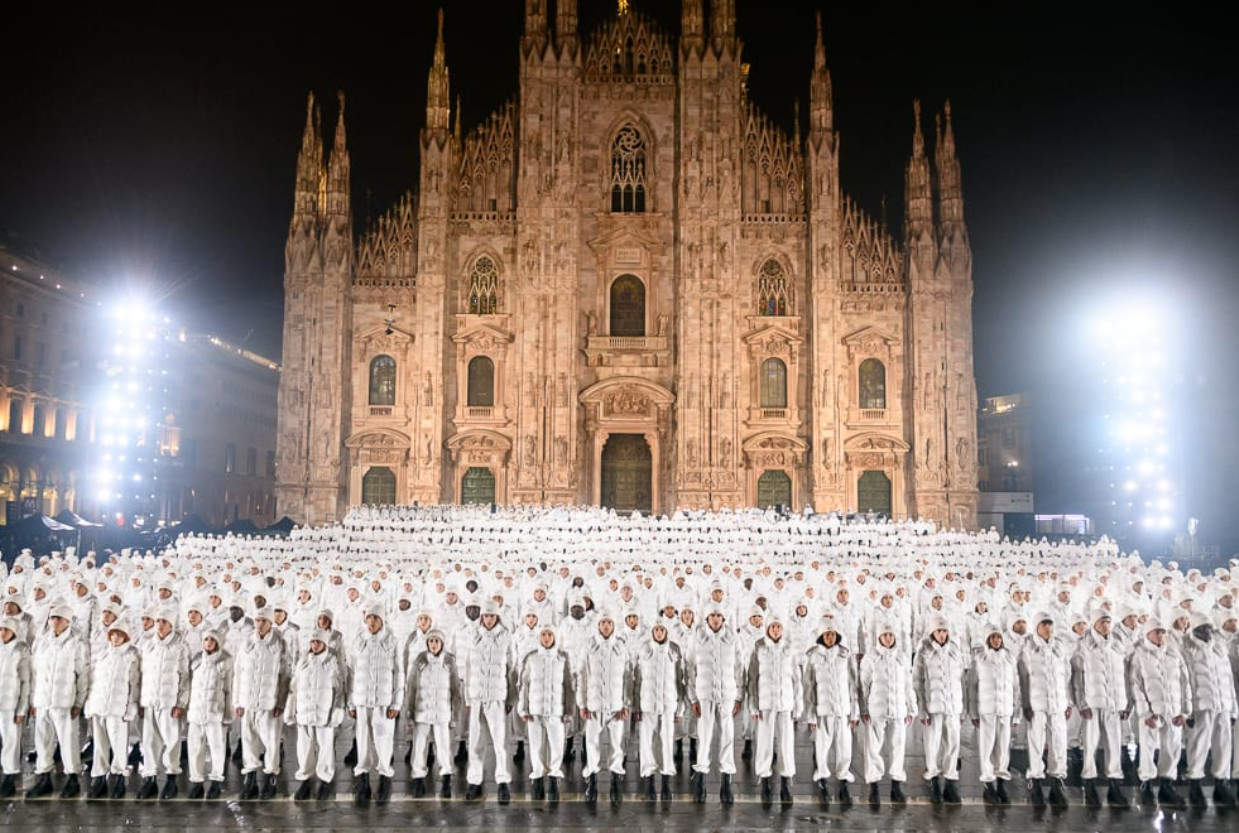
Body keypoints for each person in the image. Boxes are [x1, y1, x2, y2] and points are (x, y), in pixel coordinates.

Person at [27, 602, 90, 799]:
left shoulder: (76, 644)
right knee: (43, 741)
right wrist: (33, 701)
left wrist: (79, 702)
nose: (53, 621)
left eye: (58, 618)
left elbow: (83, 675)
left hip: (65, 703)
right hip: (43, 701)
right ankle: (44, 777)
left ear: (67, 621)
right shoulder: (43, 642)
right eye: (51, 618)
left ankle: (72, 778)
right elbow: (35, 673)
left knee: (68, 741)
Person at [1069, 608, 1131, 807]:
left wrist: (1125, 702)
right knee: (1091, 744)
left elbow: (1124, 676)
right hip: (1092, 704)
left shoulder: (1118, 645)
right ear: (1094, 623)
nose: (1106, 625)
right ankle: (1089, 782)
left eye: (1108, 621)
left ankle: (1114, 785)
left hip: (1113, 703)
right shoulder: (1082, 646)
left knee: (1114, 744)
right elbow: (1077, 678)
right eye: (1102, 621)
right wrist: (1081, 703)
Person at [1127, 616, 1190, 807]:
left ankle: (1166, 786)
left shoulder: (1174, 654)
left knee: (1172, 748)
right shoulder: (1139, 655)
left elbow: (1185, 683)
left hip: (1173, 710)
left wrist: (1185, 711)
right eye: (1158, 632)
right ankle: (1146, 785)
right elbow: (1135, 685)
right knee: (1148, 749)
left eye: (1163, 632)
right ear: (1148, 634)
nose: (1161, 635)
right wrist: (1145, 713)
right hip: (1152, 713)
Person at [1180, 613, 1238, 806]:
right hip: (1200, 705)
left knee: (1224, 745)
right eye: (1202, 627)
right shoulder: (1187, 649)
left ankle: (1221, 783)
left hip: (1222, 704)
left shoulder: (1219, 648)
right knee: (1199, 745)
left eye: (1208, 627)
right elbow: (1184, 681)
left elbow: (1228, 679)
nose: (1207, 631)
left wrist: (1233, 708)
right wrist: (1186, 709)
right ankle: (1195, 783)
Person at [232, 603, 288, 800]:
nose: (259, 624)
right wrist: (237, 701)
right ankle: (251, 778)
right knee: (248, 741)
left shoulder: (280, 642)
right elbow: (238, 672)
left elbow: (285, 675)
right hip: (248, 701)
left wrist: (281, 703)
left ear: (271, 622)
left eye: (263, 621)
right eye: (257, 620)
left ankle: (271, 777)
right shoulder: (247, 642)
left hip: (269, 704)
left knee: (271, 742)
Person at [348, 605, 402, 805]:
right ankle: (362, 777)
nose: (371, 621)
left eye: (375, 618)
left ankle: (385, 776)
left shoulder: (391, 641)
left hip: (383, 702)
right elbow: (351, 673)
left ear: (382, 620)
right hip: (362, 701)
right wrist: (351, 703)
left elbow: (399, 673)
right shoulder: (357, 640)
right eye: (369, 617)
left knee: (383, 740)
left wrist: (397, 702)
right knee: (362, 740)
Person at [803, 613, 858, 807]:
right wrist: (810, 715)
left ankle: (843, 780)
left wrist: (855, 711)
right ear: (820, 636)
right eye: (826, 634)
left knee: (844, 747)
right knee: (823, 746)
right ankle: (823, 780)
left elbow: (853, 684)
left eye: (833, 634)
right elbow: (809, 687)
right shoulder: (813, 657)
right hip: (823, 711)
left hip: (842, 710)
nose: (830, 637)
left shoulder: (845, 656)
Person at [462, 599, 515, 802]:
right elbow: (468, 668)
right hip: (477, 697)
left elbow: (512, 669)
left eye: (492, 616)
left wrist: (510, 697)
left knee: (501, 743)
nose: (488, 619)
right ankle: (474, 781)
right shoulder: (473, 635)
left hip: (496, 698)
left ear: (497, 617)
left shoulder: (506, 637)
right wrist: (468, 697)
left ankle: (503, 781)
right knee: (475, 742)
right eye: (485, 616)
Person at [1018, 612, 1072, 807]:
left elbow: (1066, 675)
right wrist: (1025, 704)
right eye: (1044, 624)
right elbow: (1023, 678)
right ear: (1037, 627)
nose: (1048, 628)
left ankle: (1057, 780)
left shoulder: (1059, 647)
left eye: (1050, 624)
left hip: (1057, 704)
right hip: (1037, 704)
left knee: (1058, 742)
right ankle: (1036, 780)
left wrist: (1068, 702)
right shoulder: (1027, 648)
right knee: (1036, 742)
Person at [688, 604, 740, 805]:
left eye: (719, 615)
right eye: (712, 616)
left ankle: (726, 781)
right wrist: (693, 697)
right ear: (707, 618)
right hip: (705, 694)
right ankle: (700, 777)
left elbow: (740, 667)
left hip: (726, 694)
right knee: (705, 736)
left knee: (727, 736)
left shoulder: (732, 639)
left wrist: (739, 696)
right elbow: (689, 668)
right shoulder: (698, 638)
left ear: (723, 618)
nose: (716, 619)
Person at [578, 609, 632, 805]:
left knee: (617, 745)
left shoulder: (621, 647)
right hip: (594, 706)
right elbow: (582, 676)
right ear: (598, 625)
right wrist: (582, 704)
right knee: (591, 744)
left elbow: (628, 677)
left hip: (615, 707)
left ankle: (615, 780)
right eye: (603, 623)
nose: (606, 626)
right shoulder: (589, 646)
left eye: (609, 622)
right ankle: (592, 780)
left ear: (614, 625)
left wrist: (626, 703)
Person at [136, 607, 191, 800]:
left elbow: (185, 678)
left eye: (163, 622)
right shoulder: (148, 645)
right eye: (157, 621)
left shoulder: (180, 647)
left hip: (169, 703)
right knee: (150, 742)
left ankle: (171, 778)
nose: (159, 625)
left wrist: (181, 703)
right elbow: (142, 675)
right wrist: (141, 701)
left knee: (172, 741)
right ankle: (149, 778)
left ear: (171, 625)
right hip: (151, 701)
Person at [859, 622, 916, 806]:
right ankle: (874, 785)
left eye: (891, 635)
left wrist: (912, 707)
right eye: (885, 635)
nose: (888, 638)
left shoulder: (902, 657)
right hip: (877, 709)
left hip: (898, 710)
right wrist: (864, 709)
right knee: (873, 747)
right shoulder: (871, 657)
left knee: (898, 747)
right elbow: (863, 685)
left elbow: (908, 684)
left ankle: (896, 784)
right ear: (879, 637)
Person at [747, 617, 801, 808]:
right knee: (764, 744)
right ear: (767, 628)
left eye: (779, 626)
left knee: (786, 744)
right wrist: (753, 705)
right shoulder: (759, 648)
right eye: (773, 627)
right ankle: (765, 780)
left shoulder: (790, 649)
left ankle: (786, 781)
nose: (776, 630)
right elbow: (752, 678)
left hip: (785, 703)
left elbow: (797, 679)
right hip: (766, 704)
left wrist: (798, 705)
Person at [285, 629, 345, 801]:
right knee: (304, 749)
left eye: (318, 642)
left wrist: (337, 711)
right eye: (312, 642)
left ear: (325, 643)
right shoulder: (303, 662)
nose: (315, 645)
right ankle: (305, 778)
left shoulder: (332, 662)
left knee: (325, 748)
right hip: (304, 713)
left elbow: (340, 690)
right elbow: (293, 688)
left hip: (324, 715)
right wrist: (291, 709)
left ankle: (325, 778)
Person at [517, 624, 574, 804]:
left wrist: (568, 710)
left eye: (550, 634)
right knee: (536, 746)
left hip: (556, 711)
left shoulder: (563, 658)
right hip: (535, 711)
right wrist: (523, 708)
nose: (547, 638)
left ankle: (553, 778)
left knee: (557, 746)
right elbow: (524, 686)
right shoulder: (532, 658)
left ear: (555, 637)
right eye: (544, 635)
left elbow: (568, 686)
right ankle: (538, 779)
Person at [83, 619, 140, 799]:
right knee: (100, 745)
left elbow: (134, 684)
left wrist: (131, 707)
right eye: (113, 634)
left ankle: (119, 777)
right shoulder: (102, 655)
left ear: (125, 636)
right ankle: (98, 778)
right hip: (99, 707)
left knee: (118, 744)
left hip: (118, 709)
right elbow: (95, 683)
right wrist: (90, 705)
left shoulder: (131, 656)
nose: (115, 637)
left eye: (119, 634)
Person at [913, 615, 965, 803]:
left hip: (952, 706)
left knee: (952, 743)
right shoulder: (924, 650)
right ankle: (934, 778)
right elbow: (917, 680)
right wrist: (921, 708)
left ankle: (951, 780)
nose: (942, 635)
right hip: (933, 706)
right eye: (939, 631)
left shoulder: (955, 650)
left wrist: (962, 706)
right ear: (932, 632)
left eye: (945, 631)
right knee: (933, 744)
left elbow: (961, 680)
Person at [967, 622, 1019, 804]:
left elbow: (1016, 687)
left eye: (999, 637)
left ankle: (1001, 782)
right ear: (987, 639)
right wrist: (973, 712)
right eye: (993, 637)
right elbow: (971, 687)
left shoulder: (1009, 659)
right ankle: (988, 783)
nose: (996, 640)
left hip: (1005, 711)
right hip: (987, 711)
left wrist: (1017, 712)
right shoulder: (980, 659)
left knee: (1003, 749)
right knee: (987, 748)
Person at [405, 628, 461, 799]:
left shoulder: (449, 661)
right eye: (431, 641)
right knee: (419, 745)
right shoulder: (420, 661)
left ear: (442, 643)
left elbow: (455, 690)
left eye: (437, 641)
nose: (434, 644)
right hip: (422, 711)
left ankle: (445, 777)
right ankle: (418, 778)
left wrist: (454, 715)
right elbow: (411, 687)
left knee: (444, 746)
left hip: (442, 712)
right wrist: (409, 711)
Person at [633, 621, 685, 803]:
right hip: (648, 706)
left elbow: (680, 680)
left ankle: (666, 780)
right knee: (647, 742)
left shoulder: (674, 650)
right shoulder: (645, 649)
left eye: (662, 629)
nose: (659, 633)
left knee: (666, 743)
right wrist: (636, 707)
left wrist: (680, 708)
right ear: (652, 631)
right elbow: (637, 679)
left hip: (668, 705)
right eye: (656, 629)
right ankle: (648, 779)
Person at [185, 630, 232, 799]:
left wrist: (228, 714)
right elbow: (189, 686)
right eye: (206, 639)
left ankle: (216, 780)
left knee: (217, 748)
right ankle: (196, 781)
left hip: (215, 714)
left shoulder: (225, 661)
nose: (209, 643)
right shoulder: (197, 661)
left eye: (213, 640)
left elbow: (229, 690)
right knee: (195, 748)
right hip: (196, 713)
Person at [0, 617, 30, 798]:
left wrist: (21, 709)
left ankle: (10, 776)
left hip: (10, 705)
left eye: (6, 629)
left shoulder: (20, 651)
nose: (2, 632)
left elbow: (25, 683)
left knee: (11, 742)